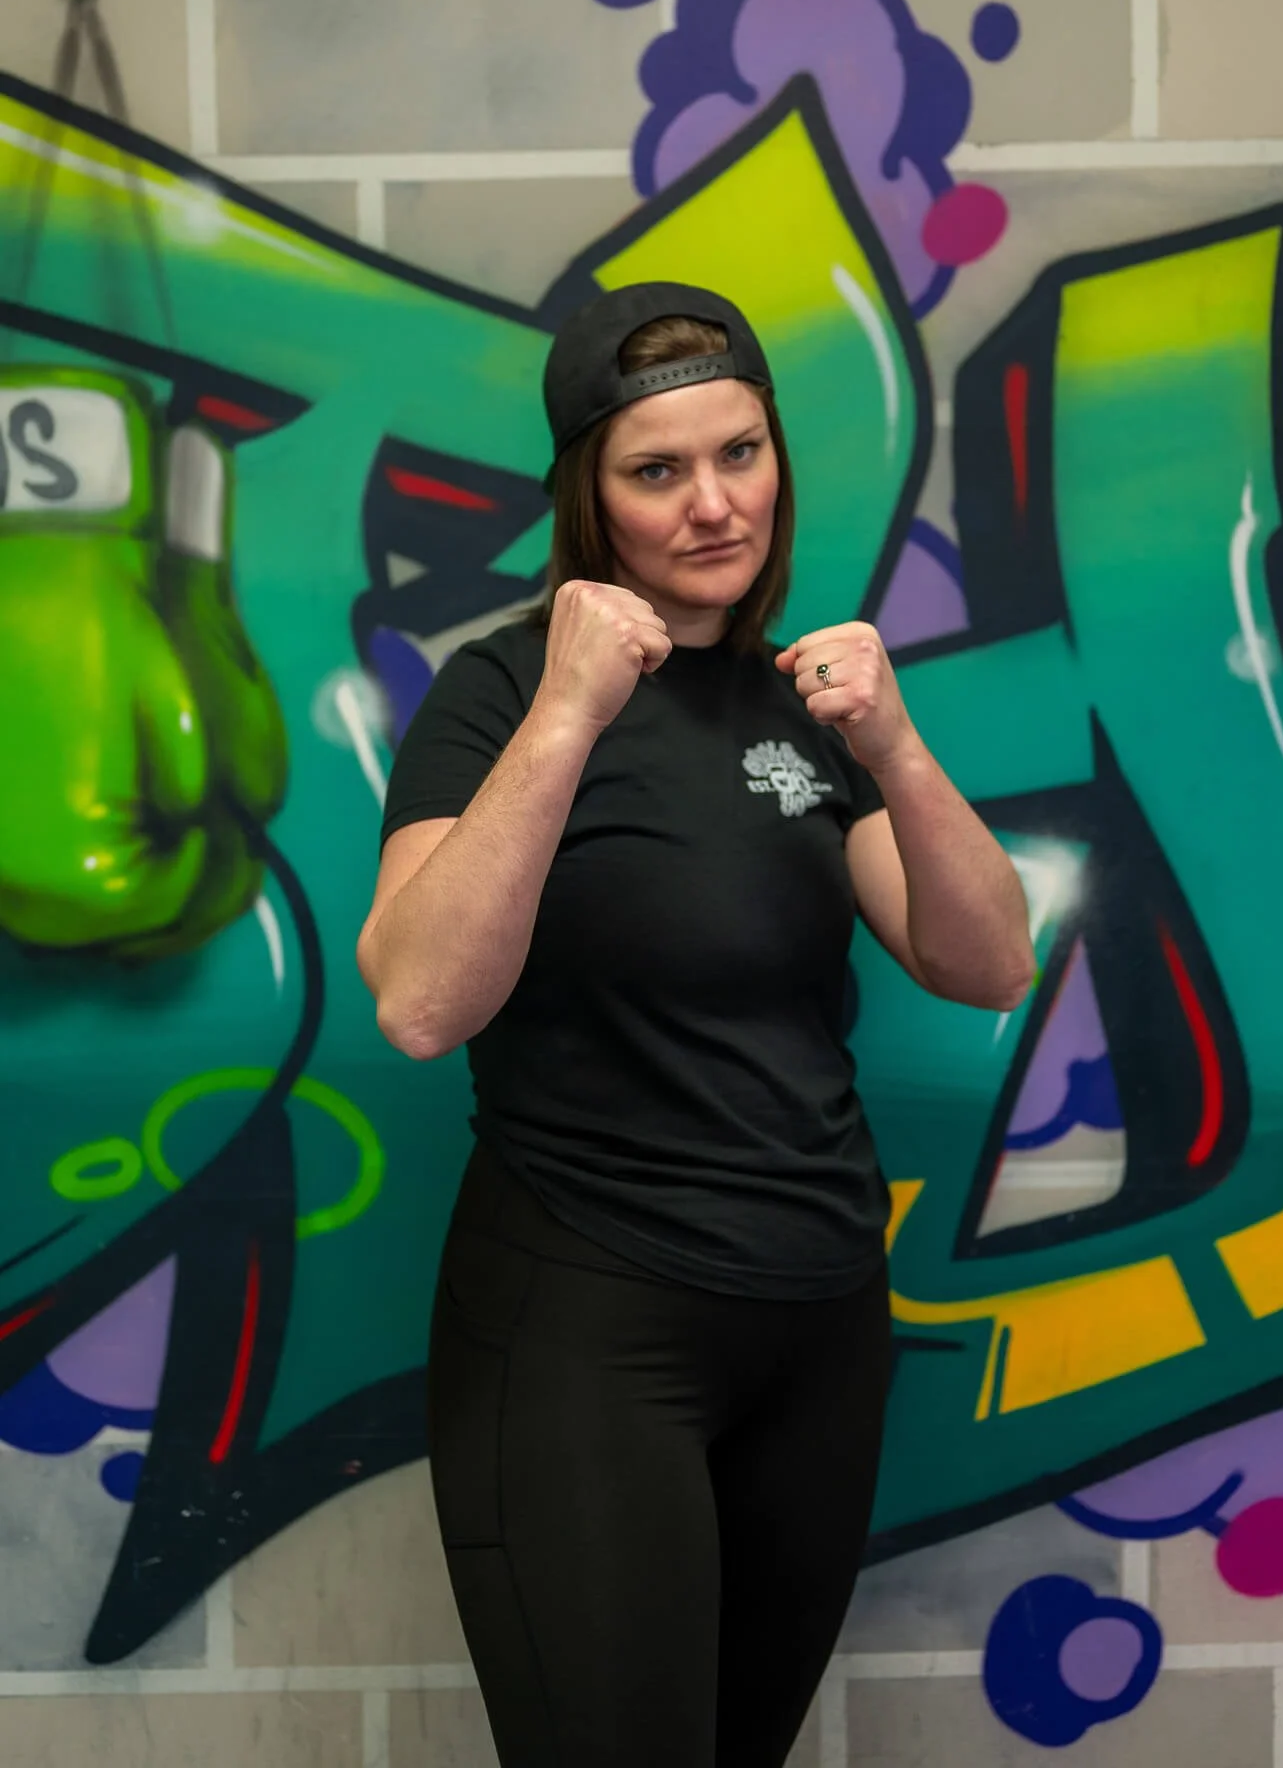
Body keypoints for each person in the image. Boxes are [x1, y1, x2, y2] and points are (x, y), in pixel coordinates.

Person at [357, 281, 1035, 1768]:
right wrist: (565, 713)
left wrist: (893, 744)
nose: (712, 506)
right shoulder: (495, 693)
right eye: (655, 472)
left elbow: (983, 963)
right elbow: (417, 1002)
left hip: (815, 1323)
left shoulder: (801, 705)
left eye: (739, 454)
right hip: (589, 1327)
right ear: (588, 496)